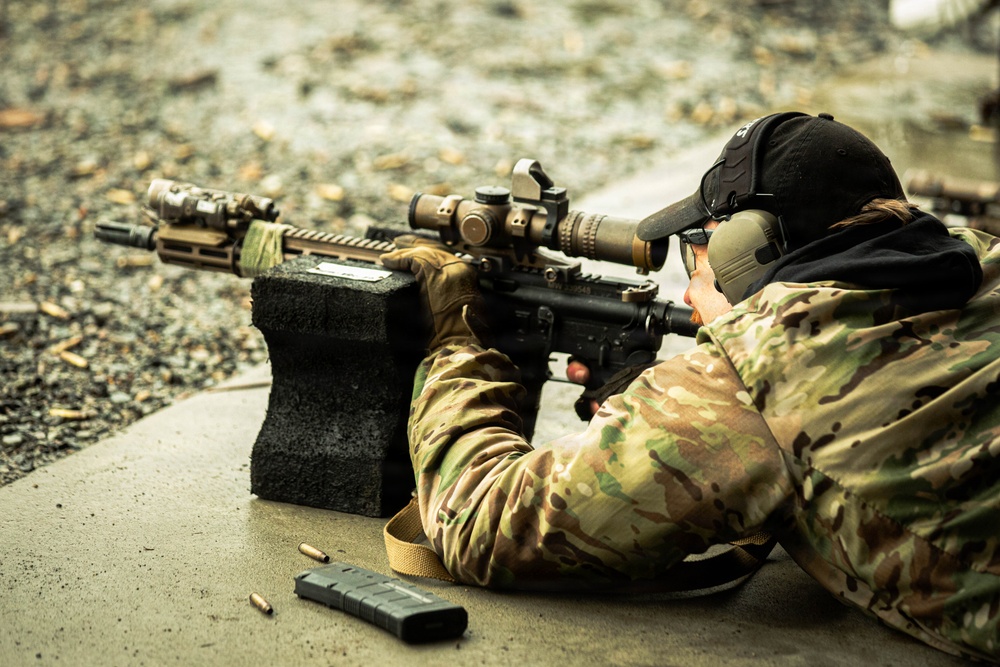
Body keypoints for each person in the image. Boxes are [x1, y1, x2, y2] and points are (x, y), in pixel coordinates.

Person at [380, 111, 1000, 662]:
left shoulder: (756, 382)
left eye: (696, 249)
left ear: (746, 251)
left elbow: (481, 521)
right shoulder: (982, 263)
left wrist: (455, 343)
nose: (688, 281)